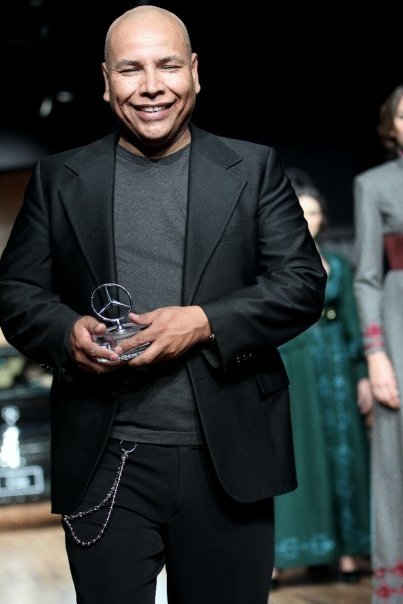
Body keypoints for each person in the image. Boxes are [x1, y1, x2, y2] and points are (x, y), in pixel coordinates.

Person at [0, 6, 326, 604]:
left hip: (226, 459)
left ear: (195, 72)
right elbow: (15, 291)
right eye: (131, 69)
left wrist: (204, 323)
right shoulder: (59, 177)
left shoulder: (253, 169)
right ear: (107, 82)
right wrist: (65, 331)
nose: (151, 86)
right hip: (106, 461)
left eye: (168, 66)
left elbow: (302, 282)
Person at [272, 183, 373, 588]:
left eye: (313, 212)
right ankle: (286, 555)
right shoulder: (272, 264)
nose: (307, 219)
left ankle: (347, 551)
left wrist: (362, 374)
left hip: (336, 367)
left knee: (343, 454)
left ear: (323, 219)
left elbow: (351, 322)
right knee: (302, 455)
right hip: (294, 364)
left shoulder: (338, 264)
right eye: (300, 211)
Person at [353, 84, 403, 603]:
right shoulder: (375, 185)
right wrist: (377, 355)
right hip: (398, 327)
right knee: (394, 468)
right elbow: (366, 277)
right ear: (392, 127)